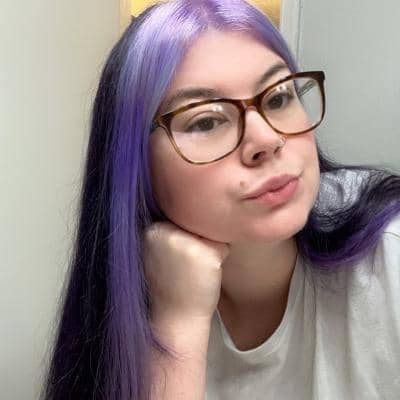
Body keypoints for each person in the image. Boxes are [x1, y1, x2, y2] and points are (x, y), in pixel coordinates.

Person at [41, 1, 400, 399]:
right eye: (207, 120)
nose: (267, 139)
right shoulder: (120, 315)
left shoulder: (389, 253)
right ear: (135, 167)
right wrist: (178, 324)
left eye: (278, 97)